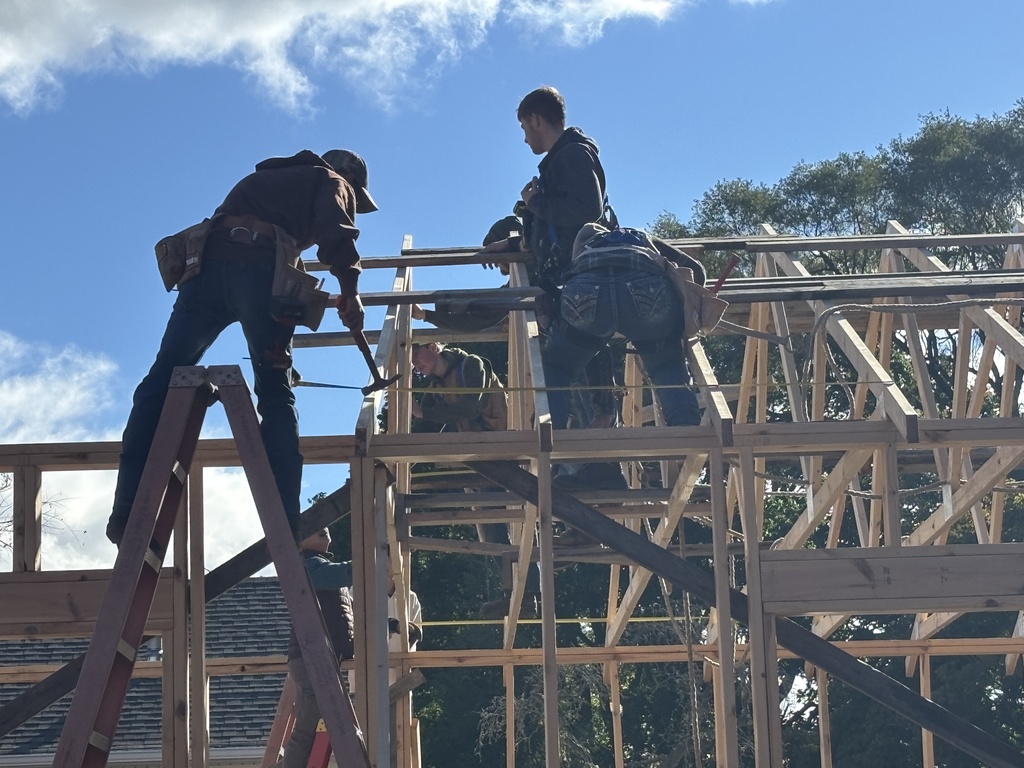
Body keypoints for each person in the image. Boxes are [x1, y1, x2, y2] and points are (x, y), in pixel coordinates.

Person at [106, 149, 377, 546]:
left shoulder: (262, 181)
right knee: (275, 395)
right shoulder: (332, 181)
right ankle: (284, 522)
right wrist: (351, 294)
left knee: (162, 380)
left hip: (207, 272)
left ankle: (127, 512)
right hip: (260, 272)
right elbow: (336, 235)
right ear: (349, 177)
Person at [542, 223, 704, 445]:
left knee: (558, 367)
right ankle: (687, 437)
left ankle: (549, 434)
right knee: (666, 365)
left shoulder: (586, 246)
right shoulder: (641, 238)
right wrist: (691, 310)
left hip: (586, 285)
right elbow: (696, 270)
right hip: (645, 283)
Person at [410, 342, 540, 618]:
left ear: (433, 348)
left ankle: (526, 592)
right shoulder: (436, 387)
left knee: (505, 526)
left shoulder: (471, 365)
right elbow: (426, 426)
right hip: (477, 460)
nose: (414, 364)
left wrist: (423, 413)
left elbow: (469, 408)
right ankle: (517, 594)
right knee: (489, 532)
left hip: (499, 450)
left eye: (415, 355)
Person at [281, 527, 355, 768]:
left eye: (325, 527)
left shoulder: (324, 570)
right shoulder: (306, 565)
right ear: (300, 541)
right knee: (307, 729)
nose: (324, 529)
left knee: (308, 728)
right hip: (312, 658)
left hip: (318, 658)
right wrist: (364, 564)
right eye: (314, 527)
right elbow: (331, 575)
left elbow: (348, 615)